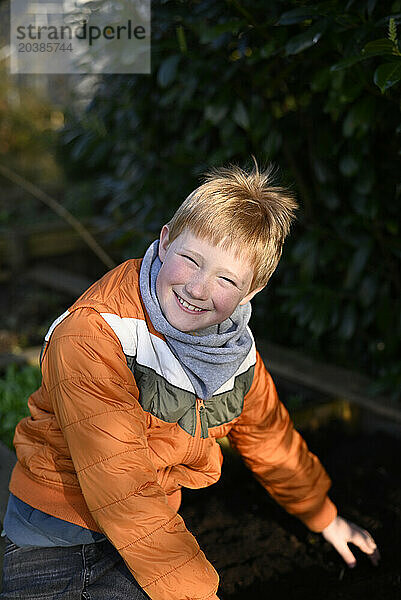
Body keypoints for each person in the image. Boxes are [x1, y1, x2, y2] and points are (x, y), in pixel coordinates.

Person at [1, 162, 380, 600]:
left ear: (251, 292)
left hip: (148, 531)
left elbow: (268, 438)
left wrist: (324, 516)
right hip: (57, 534)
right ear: (164, 241)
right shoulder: (95, 335)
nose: (199, 289)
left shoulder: (231, 352)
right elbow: (123, 488)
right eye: (191, 259)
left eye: (226, 279)